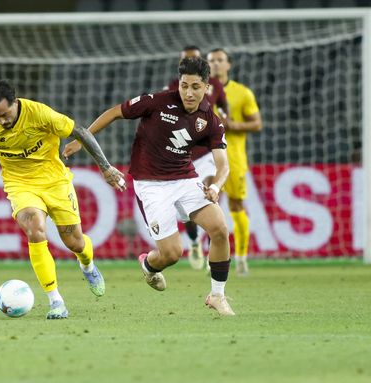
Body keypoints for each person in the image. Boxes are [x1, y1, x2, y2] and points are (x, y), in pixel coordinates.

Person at [0, 79, 126, 319]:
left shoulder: (40, 113)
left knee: (75, 243)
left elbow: (80, 132)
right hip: (20, 184)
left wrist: (105, 168)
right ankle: (56, 301)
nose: (1, 121)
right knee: (35, 229)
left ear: (15, 102)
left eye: (5, 114)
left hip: (55, 181)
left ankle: (87, 265)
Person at [64, 57, 235, 316]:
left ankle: (217, 295)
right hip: (151, 185)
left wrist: (217, 186)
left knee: (220, 229)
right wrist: (83, 140)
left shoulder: (210, 120)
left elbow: (223, 164)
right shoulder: (157, 102)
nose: (189, 92)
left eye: (196, 87)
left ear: (206, 87)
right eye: (184, 85)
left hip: (186, 179)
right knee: (171, 254)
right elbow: (115, 112)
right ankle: (150, 266)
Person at [166, 45, 229, 271]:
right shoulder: (174, 88)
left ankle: (215, 255)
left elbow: (224, 107)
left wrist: (223, 120)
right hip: (183, 156)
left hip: (206, 153)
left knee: (212, 192)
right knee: (190, 210)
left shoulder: (215, 85)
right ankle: (194, 242)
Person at [207, 48, 263, 276]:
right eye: (211, 61)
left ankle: (241, 257)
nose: (216, 64)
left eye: (220, 60)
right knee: (206, 207)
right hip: (206, 158)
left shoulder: (242, 93)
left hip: (235, 158)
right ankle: (214, 259)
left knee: (236, 207)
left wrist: (233, 125)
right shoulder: (200, 91)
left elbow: (257, 124)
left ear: (228, 65)